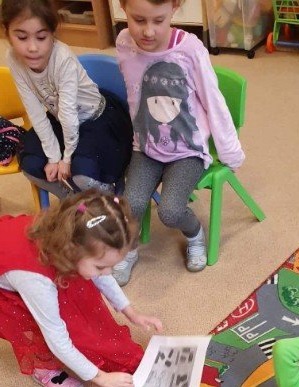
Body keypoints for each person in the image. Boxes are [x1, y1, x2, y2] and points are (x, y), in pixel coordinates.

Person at [0, 190, 162, 387]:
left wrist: (131, 312)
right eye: (100, 267)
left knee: (79, 291)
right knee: (30, 321)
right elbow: (57, 337)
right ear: (72, 252)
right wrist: (101, 377)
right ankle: (43, 370)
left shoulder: (78, 239)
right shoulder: (36, 281)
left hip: (11, 252)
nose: (107, 273)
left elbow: (102, 277)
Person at [112, 0, 245, 285]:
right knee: (130, 206)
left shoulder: (190, 50)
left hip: (187, 151)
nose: (148, 31)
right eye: (139, 20)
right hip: (146, 147)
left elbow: (214, 102)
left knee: (171, 211)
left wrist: (230, 152)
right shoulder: (123, 43)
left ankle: (195, 234)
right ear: (123, 7)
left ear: (175, 7)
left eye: (158, 20)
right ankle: (129, 249)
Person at [2, 0, 133, 200]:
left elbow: (69, 114)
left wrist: (67, 159)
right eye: (21, 37)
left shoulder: (62, 58)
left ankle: (105, 202)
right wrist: (53, 157)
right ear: (8, 34)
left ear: (52, 33)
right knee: (30, 164)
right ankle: (74, 201)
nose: (32, 47)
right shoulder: (13, 59)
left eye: (41, 37)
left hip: (96, 119)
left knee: (82, 173)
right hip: (60, 118)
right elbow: (35, 112)